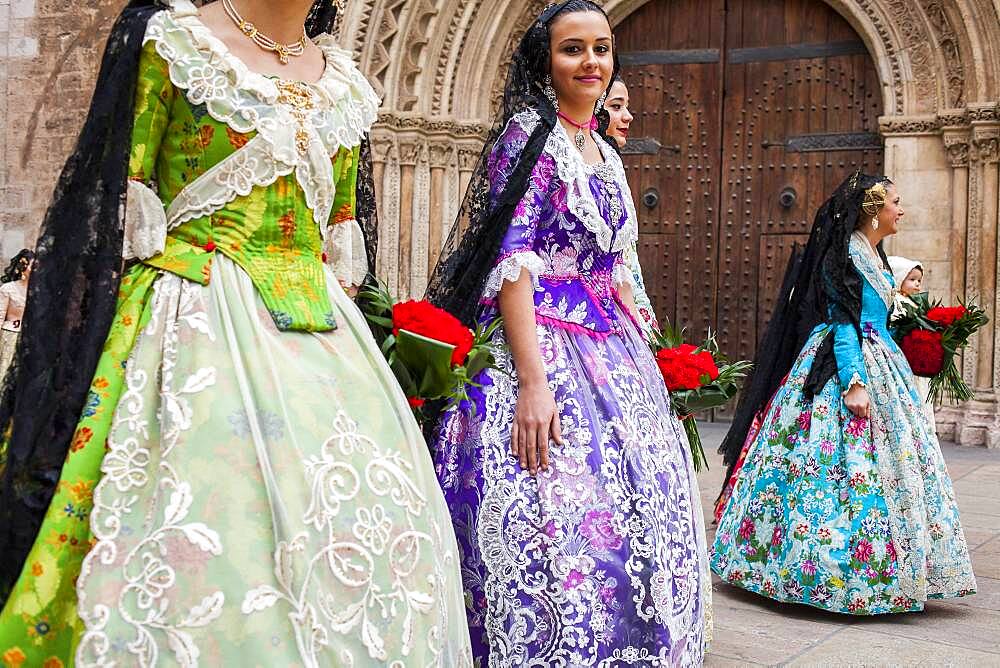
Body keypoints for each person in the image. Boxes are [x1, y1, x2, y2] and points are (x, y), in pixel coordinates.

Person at [0, 1, 472, 665]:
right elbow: (119, 200)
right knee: (211, 525)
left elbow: (338, 235)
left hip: (327, 346)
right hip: (193, 318)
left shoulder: (343, 82)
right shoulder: (175, 45)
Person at [425, 1, 711, 663]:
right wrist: (532, 381)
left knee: (639, 498)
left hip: (612, 348)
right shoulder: (528, 140)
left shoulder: (603, 151)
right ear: (544, 62)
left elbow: (611, 265)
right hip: (541, 343)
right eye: (573, 49)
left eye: (602, 49)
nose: (591, 63)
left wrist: (646, 338)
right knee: (552, 503)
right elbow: (514, 265)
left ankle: (626, 639)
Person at [712, 172, 976, 615]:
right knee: (834, 466)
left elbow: (878, 318)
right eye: (895, 201)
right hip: (847, 364)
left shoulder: (876, 254)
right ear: (873, 209)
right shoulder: (847, 254)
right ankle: (823, 568)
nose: (902, 209)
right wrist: (854, 382)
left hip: (882, 360)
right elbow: (843, 321)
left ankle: (898, 563)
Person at [603, 75, 658, 336]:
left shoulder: (611, 161)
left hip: (627, 298)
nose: (628, 117)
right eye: (616, 107)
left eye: (626, 106)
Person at [888, 256, 936, 431]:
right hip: (901, 359)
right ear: (898, 277)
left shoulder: (915, 304)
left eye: (919, 280)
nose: (917, 284)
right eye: (912, 279)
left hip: (914, 362)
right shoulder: (895, 302)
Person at [0, 250, 33, 384]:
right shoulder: (8, 289)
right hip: (10, 337)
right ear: (23, 268)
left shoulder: (38, 291)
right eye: (33, 265)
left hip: (30, 339)